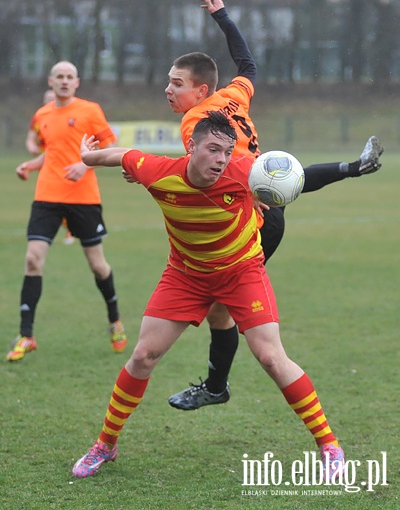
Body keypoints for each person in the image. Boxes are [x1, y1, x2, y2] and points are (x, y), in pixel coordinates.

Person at [72, 111, 346, 480]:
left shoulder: (246, 171)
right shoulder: (156, 170)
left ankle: (329, 445)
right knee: (142, 355)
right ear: (191, 146)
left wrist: (283, 189)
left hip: (242, 272)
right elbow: (117, 156)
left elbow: (292, 178)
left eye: (227, 151)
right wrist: (87, 155)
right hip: (185, 276)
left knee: (270, 357)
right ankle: (105, 444)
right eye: (213, 149)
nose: (220, 159)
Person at [164, 0, 384, 411]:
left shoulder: (196, 121)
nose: (168, 90)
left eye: (177, 84)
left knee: (235, 319)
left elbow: (214, 168)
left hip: (252, 217)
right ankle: (216, 386)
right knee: (219, 311)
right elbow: (247, 63)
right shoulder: (234, 96)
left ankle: (218, 387)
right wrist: (223, 17)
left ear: (200, 90)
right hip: (264, 209)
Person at [6, 61, 127, 361]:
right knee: (33, 260)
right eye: (58, 76)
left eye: (69, 76)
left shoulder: (90, 110)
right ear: (50, 81)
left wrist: (85, 164)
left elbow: (112, 146)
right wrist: (29, 166)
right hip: (46, 196)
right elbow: (51, 152)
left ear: (77, 82)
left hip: (83, 198)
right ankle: (26, 335)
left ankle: (115, 320)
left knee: (98, 266)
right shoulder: (42, 114)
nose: (63, 81)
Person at [26, 88, 75, 245]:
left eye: (51, 98)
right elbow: (30, 138)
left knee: (63, 199)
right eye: (46, 98)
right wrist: (31, 147)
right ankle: (47, 233)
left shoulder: (67, 117)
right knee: (47, 200)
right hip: (45, 166)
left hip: (63, 166)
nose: (49, 101)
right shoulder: (40, 116)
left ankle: (70, 228)